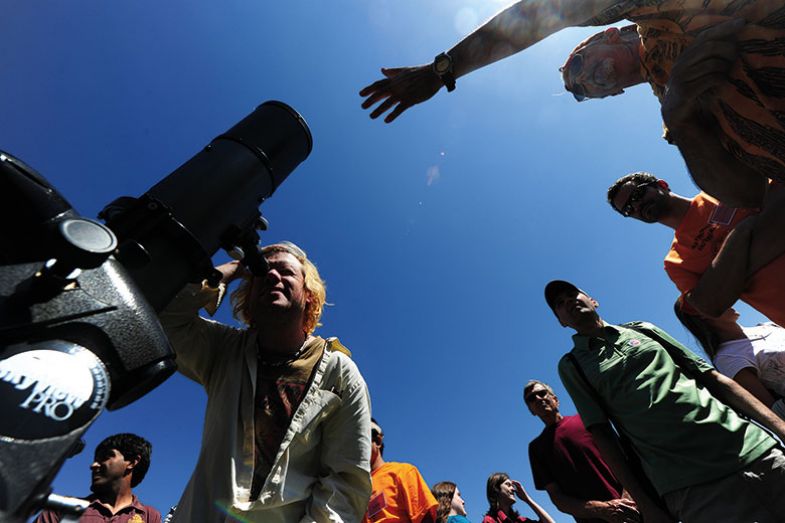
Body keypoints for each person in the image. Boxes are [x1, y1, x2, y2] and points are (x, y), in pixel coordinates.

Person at [359, 2, 785, 206]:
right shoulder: (676, 109)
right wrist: (681, 116)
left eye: (578, 63)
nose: (584, 80)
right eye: (581, 91)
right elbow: (747, 194)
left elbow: (551, 8)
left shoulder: (654, 9)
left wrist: (442, 69)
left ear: (608, 34)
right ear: (610, 96)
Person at [159, 242, 372, 522]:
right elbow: (163, 315)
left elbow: (344, 483)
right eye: (263, 272)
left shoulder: (339, 372)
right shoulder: (223, 350)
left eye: (286, 272)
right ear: (248, 296)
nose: (272, 276)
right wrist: (236, 268)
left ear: (309, 295)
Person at [546, 279, 785, 523]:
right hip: (692, 488)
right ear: (561, 321)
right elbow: (603, 434)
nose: (569, 302)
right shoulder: (572, 365)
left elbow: (713, 378)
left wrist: (780, 427)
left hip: (755, 449)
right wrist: (646, 505)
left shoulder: (642, 329)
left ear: (592, 300)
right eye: (560, 304)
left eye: (572, 294)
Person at [607, 171, 785, 326]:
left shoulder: (723, 190)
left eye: (638, 195)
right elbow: (710, 306)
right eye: (629, 209)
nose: (637, 206)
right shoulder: (676, 262)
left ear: (662, 184)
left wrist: (731, 274)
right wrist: (741, 232)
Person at [524, 380, 639, 523]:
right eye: (531, 398)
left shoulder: (586, 419)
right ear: (531, 410)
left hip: (635, 511)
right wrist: (602, 509)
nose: (538, 399)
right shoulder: (536, 448)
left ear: (555, 399)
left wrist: (628, 500)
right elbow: (556, 496)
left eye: (542, 393)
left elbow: (626, 457)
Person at [674, 299, 785, 420]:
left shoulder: (767, 325)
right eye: (713, 298)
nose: (727, 299)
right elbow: (773, 412)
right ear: (702, 314)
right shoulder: (727, 357)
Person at [34, 433, 161, 523]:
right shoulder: (63, 509)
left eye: (105, 457)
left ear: (132, 462)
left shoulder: (149, 516)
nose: (93, 465)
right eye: (95, 459)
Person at [363, 418, 438, 523]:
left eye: (360, 439)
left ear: (378, 441)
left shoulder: (403, 472)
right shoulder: (358, 490)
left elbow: (426, 519)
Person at [482, 473, 556, 523]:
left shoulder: (521, 520)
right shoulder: (490, 520)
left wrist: (527, 499)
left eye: (512, 485)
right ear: (496, 490)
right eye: (508, 485)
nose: (513, 489)